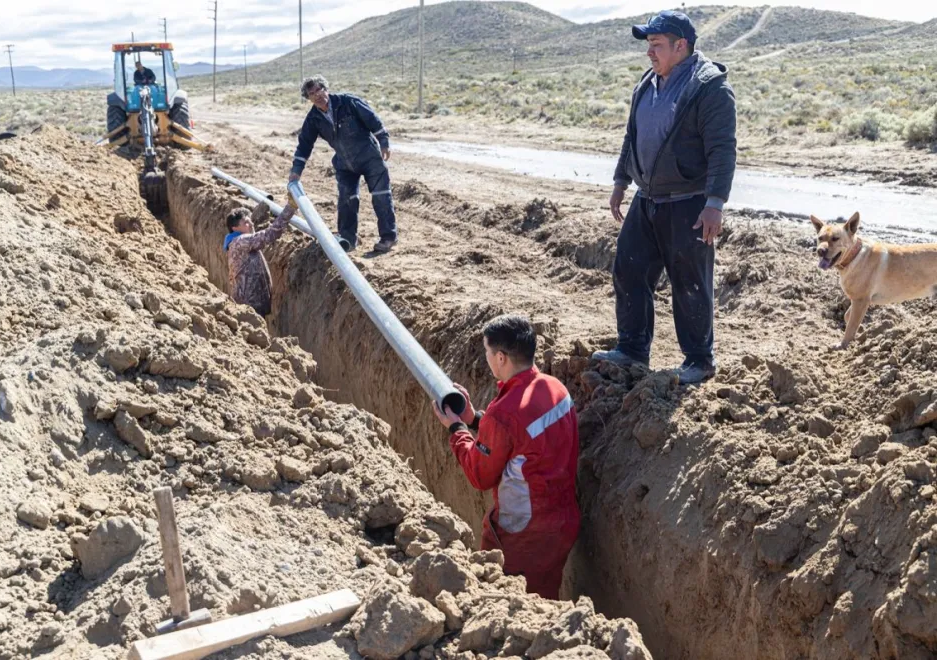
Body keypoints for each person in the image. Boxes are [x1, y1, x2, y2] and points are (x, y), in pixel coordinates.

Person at [595, 10, 737, 385]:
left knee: (689, 282)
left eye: (656, 45)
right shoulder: (648, 82)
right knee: (629, 269)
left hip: (689, 202)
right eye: (648, 45)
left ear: (681, 46)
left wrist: (714, 204)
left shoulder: (710, 88)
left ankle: (699, 361)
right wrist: (621, 180)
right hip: (648, 198)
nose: (650, 53)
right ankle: (632, 350)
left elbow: (723, 150)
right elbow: (633, 134)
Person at [432, 314, 579, 599]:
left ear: (501, 357)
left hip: (522, 535)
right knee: (546, 601)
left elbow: (479, 474)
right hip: (562, 524)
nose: (486, 359)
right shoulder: (556, 389)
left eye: (487, 352)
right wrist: (474, 419)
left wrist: (457, 429)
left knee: (505, 606)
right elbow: (523, 440)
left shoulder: (504, 413)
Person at [289, 75, 397, 254]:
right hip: (345, 163)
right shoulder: (313, 118)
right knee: (346, 200)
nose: (317, 95)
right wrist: (296, 171)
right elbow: (304, 144)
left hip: (370, 158)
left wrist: (384, 142)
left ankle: (388, 238)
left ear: (326, 89)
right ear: (308, 99)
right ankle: (347, 240)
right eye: (311, 93)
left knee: (381, 196)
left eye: (319, 89)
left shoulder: (348, 102)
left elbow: (373, 120)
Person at [223, 196, 298, 317]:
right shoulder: (241, 241)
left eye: (250, 220)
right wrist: (290, 208)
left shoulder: (237, 242)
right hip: (249, 306)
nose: (251, 224)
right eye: (246, 222)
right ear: (235, 228)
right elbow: (270, 234)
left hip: (249, 304)